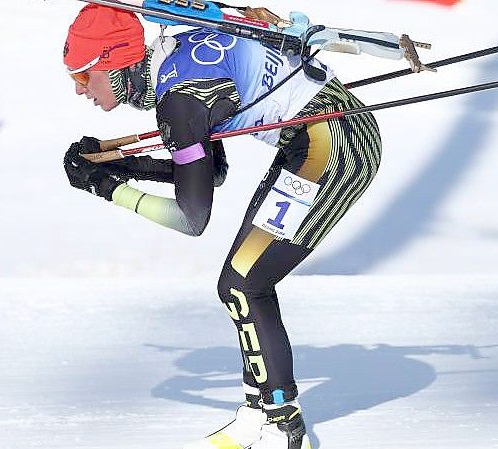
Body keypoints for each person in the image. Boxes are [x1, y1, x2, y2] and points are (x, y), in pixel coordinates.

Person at [62, 4, 382, 449]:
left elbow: (192, 218)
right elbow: (209, 171)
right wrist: (123, 165)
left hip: (333, 147)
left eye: (82, 76)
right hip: (318, 138)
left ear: (114, 61)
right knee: (243, 278)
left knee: (242, 284)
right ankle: (257, 412)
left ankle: (285, 428)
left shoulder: (179, 99)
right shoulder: (176, 56)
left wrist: (107, 187)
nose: (80, 91)